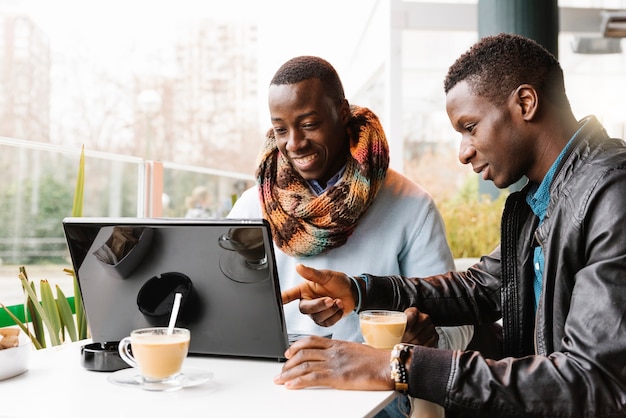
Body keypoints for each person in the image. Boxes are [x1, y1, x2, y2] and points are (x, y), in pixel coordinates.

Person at [273, 33, 626, 417]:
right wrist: (359, 291)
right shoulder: (543, 201)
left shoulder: (612, 196)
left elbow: (594, 381)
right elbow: (476, 290)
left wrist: (393, 364)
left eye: (470, 127)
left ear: (525, 103)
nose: (463, 152)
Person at [228, 55, 473, 417]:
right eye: (280, 129)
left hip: (373, 388)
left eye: (309, 124)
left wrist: (423, 335)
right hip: (277, 381)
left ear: (342, 113)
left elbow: (458, 325)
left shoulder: (410, 206)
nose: (294, 143)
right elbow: (224, 305)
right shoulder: (254, 206)